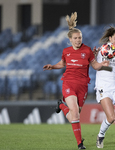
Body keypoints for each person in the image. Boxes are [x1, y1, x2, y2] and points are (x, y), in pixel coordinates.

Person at [43, 12, 109, 149]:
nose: (78, 40)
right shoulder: (66, 51)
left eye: (80, 37)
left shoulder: (88, 50)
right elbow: (62, 64)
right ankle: (80, 144)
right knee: (74, 111)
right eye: (76, 38)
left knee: (75, 115)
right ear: (70, 40)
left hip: (83, 86)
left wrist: (102, 64)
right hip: (69, 83)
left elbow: (95, 66)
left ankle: (61, 106)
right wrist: (52, 66)